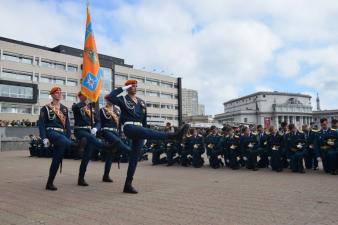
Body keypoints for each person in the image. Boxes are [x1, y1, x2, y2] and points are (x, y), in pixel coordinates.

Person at [106, 79, 190, 193]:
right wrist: (123, 88)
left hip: (141, 129)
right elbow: (111, 97)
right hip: (129, 127)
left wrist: (145, 135)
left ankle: (128, 184)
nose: (134, 87)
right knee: (138, 146)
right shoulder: (123, 99)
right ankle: (173, 136)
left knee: (134, 158)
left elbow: (144, 120)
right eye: (131, 86)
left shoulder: (142, 102)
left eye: (135, 85)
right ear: (127, 87)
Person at [39, 87, 87, 191]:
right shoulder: (46, 108)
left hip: (62, 135)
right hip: (51, 132)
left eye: (60, 93)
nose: (59, 94)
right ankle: (76, 147)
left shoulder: (64, 108)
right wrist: (44, 138)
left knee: (56, 160)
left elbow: (68, 125)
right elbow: (41, 124)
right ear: (52, 95)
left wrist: (68, 137)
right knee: (60, 138)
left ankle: (49, 183)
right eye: (56, 93)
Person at [72, 92, 118, 187]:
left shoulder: (93, 110)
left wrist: (96, 128)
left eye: (87, 95)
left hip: (90, 132)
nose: (86, 97)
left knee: (87, 157)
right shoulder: (77, 106)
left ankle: (81, 178)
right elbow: (76, 108)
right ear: (80, 96)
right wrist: (85, 102)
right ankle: (105, 147)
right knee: (94, 141)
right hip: (80, 130)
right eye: (84, 95)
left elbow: (98, 122)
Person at [99, 95, 132, 182]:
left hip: (115, 132)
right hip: (106, 131)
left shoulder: (117, 110)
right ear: (106, 100)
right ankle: (130, 151)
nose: (111, 100)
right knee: (117, 142)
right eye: (109, 99)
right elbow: (100, 122)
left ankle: (106, 175)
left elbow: (119, 124)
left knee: (110, 155)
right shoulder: (102, 110)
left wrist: (120, 134)